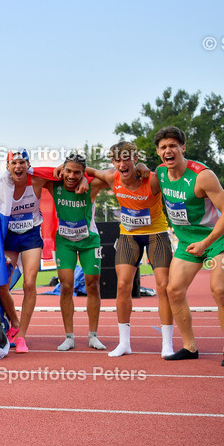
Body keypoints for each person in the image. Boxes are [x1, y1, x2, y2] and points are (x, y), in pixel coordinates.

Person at [155, 126, 224, 366]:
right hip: (187, 241)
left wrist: (206, 243)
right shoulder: (160, 173)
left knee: (219, 290)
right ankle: (189, 347)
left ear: (183, 147)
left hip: (217, 238)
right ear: (158, 153)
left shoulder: (203, 176)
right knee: (174, 290)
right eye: (163, 147)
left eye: (173, 145)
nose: (168, 150)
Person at [86, 142, 175, 357]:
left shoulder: (152, 179)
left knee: (163, 286)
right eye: (117, 160)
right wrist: (64, 167)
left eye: (126, 158)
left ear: (135, 159)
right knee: (123, 285)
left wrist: (146, 167)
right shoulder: (111, 176)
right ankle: (124, 343)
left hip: (156, 234)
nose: (121, 164)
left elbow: (173, 179)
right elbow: (89, 170)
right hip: (128, 236)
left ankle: (167, 344)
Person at [45, 154, 106, 351]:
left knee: (93, 285)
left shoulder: (92, 185)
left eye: (77, 172)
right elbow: (32, 172)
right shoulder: (54, 184)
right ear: (63, 170)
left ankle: (93, 336)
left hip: (89, 242)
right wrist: (56, 168)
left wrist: (87, 178)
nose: (71, 176)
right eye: (68, 171)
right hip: (65, 243)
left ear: (83, 173)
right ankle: (69, 337)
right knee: (66, 286)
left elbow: (111, 175)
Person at [0, 149, 44, 353]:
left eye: (22, 162)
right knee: (2, 284)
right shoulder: (1, 185)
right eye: (13, 163)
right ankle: (15, 324)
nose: (18, 166)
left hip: (31, 234)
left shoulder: (37, 181)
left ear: (28, 164)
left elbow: (61, 175)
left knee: (29, 283)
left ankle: (22, 336)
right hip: (10, 237)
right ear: (7, 167)